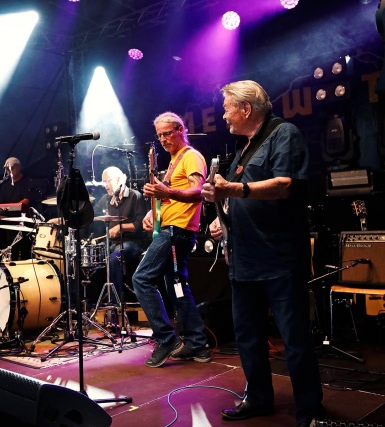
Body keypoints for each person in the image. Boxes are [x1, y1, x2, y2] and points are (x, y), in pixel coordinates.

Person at [201, 80, 324, 427]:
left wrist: (233, 190)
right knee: (248, 337)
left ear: (245, 109)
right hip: (244, 260)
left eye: (227, 108)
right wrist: (222, 219)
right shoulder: (245, 147)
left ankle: (309, 410)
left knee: (294, 339)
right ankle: (257, 397)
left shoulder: (284, 134)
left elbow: (285, 185)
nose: (223, 115)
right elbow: (236, 197)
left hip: (280, 258)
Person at [133, 111, 210, 368]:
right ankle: (197, 344)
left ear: (180, 131)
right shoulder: (175, 161)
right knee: (177, 287)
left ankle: (166, 339)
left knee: (142, 279)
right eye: (159, 136)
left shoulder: (191, 156)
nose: (163, 139)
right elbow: (167, 197)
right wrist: (152, 212)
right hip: (172, 228)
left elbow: (198, 192)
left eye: (167, 133)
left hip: (177, 231)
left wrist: (166, 192)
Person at [93, 166, 147, 303]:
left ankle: (115, 304)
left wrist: (121, 227)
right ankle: (89, 301)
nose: (105, 185)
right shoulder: (106, 199)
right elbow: (91, 215)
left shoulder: (135, 196)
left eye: (107, 181)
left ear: (118, 179)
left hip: (132, 243)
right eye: (104, 182)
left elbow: (141, 225)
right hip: (112, 242)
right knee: (90, 256)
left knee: (114, 258)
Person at [0, 157, 35, 260]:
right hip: (10, 224)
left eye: (11, 168)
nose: (9, 171)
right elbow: (1, 205)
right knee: (12, 251)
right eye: (7, 169)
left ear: (18, 167)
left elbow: (26, 201)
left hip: (25, 223)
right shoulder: (5, 186)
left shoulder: (27, 182)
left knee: (26, 252)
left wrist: (12, 206)